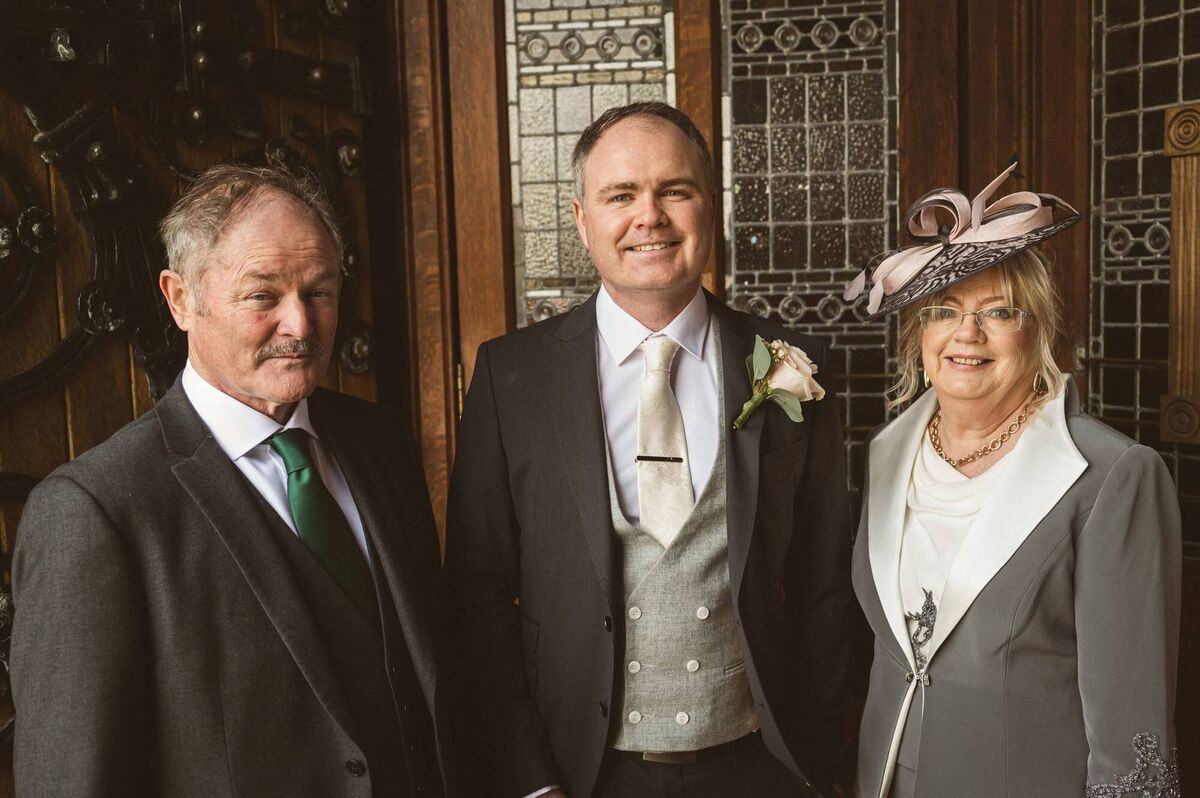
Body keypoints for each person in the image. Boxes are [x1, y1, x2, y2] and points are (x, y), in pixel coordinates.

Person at [444, 101, 854, 798]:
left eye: (675, 191)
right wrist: (530, 781)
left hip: (764, 767)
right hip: (583, 774)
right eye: (621, 195)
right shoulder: (511, 377)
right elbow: (476, 591)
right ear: (581, 219)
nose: (650, 217)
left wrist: (820, 765)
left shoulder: (792, 364)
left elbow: (826, 584)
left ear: (710, 208)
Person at [11, 161, 451, 797]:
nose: (300, 325)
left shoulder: (379, 442)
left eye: (319, 292)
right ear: (180, 299)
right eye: (262, 296)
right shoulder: (94, 510)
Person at [843, 163, 1181, 797]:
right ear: (920, 335)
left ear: (1041, 331)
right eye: (944, 311)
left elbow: (1133, 724)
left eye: (998, 312)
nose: (966, 334)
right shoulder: (885, 455)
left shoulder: (1113, 476)